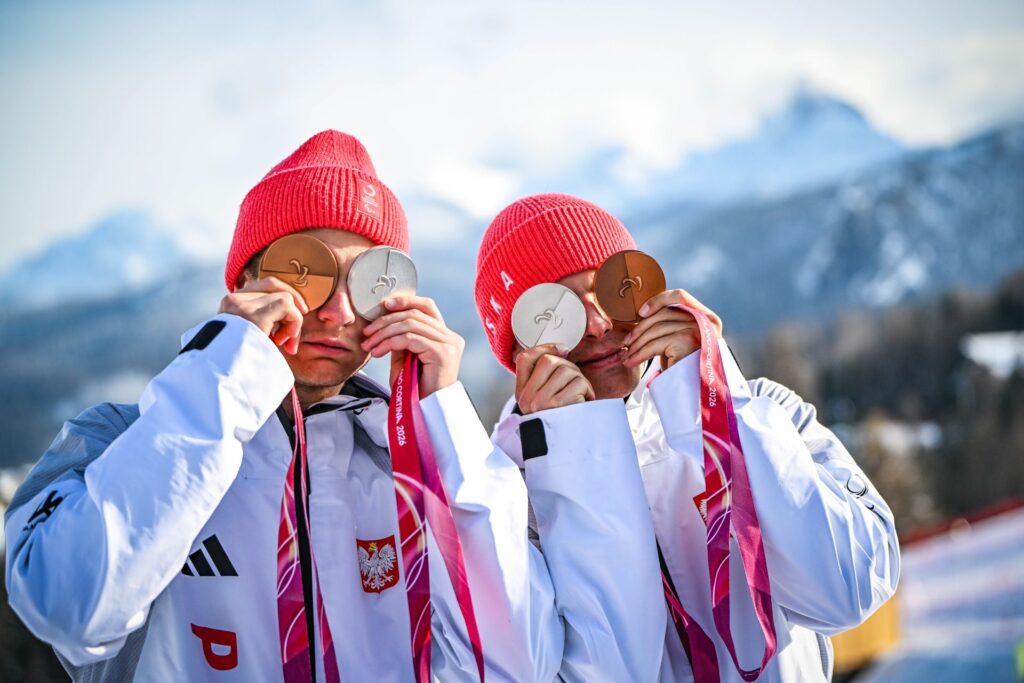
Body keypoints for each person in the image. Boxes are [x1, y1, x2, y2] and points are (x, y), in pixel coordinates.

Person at [6, 132, 581, 682]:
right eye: (304, 275)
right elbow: (65, 605)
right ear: (246, 282)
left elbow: (519, 665)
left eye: (367, 283)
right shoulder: (116, 441)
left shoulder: (414, 467)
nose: (337, 312)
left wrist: (445, 421)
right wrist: (223, 369)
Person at [474, 192, 901, 682]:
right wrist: (570, 456)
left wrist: (718, 401)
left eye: (611, 290)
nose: (596, 325)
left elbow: (847, 591)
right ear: (518, 352)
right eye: (555, 315)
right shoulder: (501, 494)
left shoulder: (765, 408)